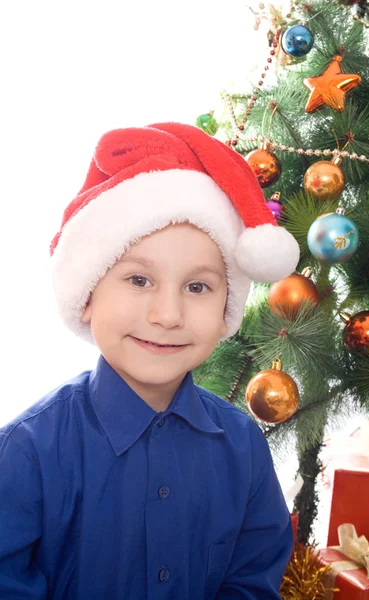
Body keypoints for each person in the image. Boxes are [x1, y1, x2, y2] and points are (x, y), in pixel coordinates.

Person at [0, 122, 300, 599]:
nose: (167, 315)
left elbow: (252, 580)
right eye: (139, 280)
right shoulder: (26, 452)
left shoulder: (242, 446)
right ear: (86, 295)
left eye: (197, 287)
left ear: (226, 312)